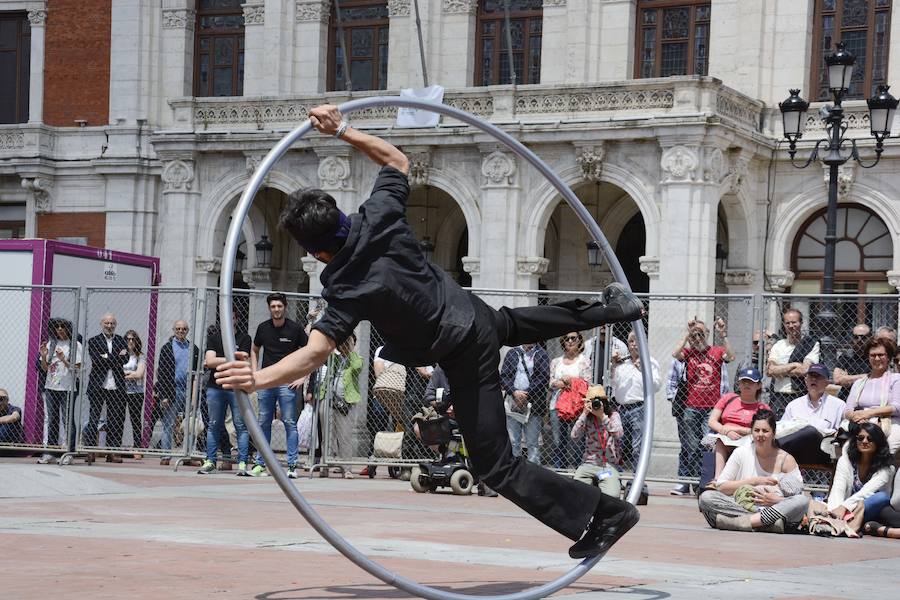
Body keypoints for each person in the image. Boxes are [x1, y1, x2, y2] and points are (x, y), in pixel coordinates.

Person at [217, 104, 644, 560]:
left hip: (460, 350)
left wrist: (258, 378)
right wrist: (343, 129)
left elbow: (315, 352)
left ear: (316, 253)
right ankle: (610, 308)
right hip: (471, 314)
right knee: (511, 323)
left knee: (494, 466)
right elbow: (396, 160)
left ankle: (605, 513)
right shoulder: (377, 213)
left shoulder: (345, 284)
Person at [698, 409, 808, 533]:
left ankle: (741, 523)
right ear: (751, 432)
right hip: (745, 507)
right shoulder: (741, 452)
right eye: (756, 430)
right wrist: (754, 481)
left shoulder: (786, 459)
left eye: (765, 431)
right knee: (706, 498)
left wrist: (777, 501)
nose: (760, 435)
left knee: (802, 501)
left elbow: (798, 496)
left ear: (774, 433)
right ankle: (766, 524)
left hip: (777, 508)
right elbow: (722, 486)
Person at [670, 317, 734, 495]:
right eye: (694, 335)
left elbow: (731, 356)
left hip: (710, 408)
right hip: (691, 406)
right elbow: (675, 354)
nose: (697, 338)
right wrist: (686, 333)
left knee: (707, 444)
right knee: (691, 446)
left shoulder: (715, 351)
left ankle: (704, 482)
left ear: (707, 334)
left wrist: (723, 334)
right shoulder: (689, 353)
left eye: (701, 334)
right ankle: (696, 481)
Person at [250, 292, 309, 477]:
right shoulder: (262, 328)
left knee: (290, 422)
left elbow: (310, 353)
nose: (276, 309)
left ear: (285, 307)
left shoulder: (295, 328)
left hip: (287, 382)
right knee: (263, 422)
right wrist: (254, 373)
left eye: (279, 306)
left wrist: (302, 377)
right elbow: (254, 350)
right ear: (269, 308)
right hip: (266, 382)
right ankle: (260, 463)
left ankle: (292, 465)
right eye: (273, 306)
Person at [198, 322, 252, 476]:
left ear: (236, 319)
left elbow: (244, 362)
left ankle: (242, 462)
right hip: (215, 387)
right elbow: (209, 361)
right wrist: (232, 358)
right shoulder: (214, 338)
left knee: (240, 425)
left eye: (233, 317)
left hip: (236, 388)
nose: (230, 320)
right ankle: (210, 461)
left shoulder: (244, 338)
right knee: (214, 424)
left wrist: (220, 359)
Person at [826, 422, 895, 536]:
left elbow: (866, 492)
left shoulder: (887, 468)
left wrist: (844, 507)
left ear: (878, 442)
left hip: (871, 509)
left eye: (870, 439)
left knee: (882, 497)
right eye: (861, 438)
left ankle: (855, 523)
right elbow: (838, 488)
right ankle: (852, 524)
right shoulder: (845, 461)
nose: (864, 441)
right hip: (844, 512)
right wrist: (834, 512)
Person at [705, 368, 769, 478]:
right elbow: (712, 421)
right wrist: (725, 431)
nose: (746, 385)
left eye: (751, 382)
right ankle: (718, 479)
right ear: (739, 384)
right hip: (725, 437)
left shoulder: (763, 408)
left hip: (749, 440)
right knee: (721, 441)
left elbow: (766, 430)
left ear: (758, 385)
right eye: (743, 381)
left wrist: (736, 430)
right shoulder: (728, 398)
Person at [610, 331, 660, 470]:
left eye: (638, 340)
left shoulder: (650, 362)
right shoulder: (622, 363)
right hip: (621, 409)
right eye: (631, 341)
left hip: (639, 408)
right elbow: (613, 384)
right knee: (617, 445)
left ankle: (637, 482)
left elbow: (656, 386)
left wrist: (643, 370)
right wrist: (613, 365)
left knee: (637, 447)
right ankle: (616, 479)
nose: (634, 344)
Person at [316, 332, 362, 479]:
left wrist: (350, 349)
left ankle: (347, 468)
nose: (344, 345)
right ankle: (324, 466)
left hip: (346, 402)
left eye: (348, 342)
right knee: (327, 435)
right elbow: (323, 356)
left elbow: (356, 367)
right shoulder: (333, 357)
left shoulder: (356, 359)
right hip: (328, 399)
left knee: (345, 435)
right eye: (343, 342)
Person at [777, 364, 845, 464]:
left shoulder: (838, 405)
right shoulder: (793, 405)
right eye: (810, 376)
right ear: (805, 380)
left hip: (822, 452)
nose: (814, 379)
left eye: (818, 376)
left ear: (827, 382)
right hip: (794, 452)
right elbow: (782, 430)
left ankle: (774, 447)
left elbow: (841, 433)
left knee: (810, 431)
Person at [84, 313, 129, 463]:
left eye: (112, 324)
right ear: (101, 324)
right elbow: (96, 360)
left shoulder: (121, 340)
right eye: (107, 323)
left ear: (115, 325)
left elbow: (126, 358)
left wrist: (107, 357)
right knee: (94, 418)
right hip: (98, 386)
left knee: (114, 419)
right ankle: (90, 450)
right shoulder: (94, 341)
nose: (109, 326)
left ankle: (112, 452)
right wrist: (116, 357)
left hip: (116, 386)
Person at [154, 320, 200, 465]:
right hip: (173, 390)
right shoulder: (167, 348)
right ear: (174, 330)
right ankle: (165, 456)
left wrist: (193, 396)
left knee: (190, 425)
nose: (181, 331)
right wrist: (164, 395)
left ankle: (188, 456)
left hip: (188, 390)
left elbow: (196, 374)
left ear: (188, 330)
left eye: (184, 329)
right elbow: (162, 373)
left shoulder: (194, 349)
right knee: (168, 424)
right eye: (178, 328)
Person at [843, 337, 900, 454]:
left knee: (885, 452)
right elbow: (847, 411)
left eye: (881, 355)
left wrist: (868, 413)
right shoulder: (859, 383)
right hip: (862, 424)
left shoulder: (896, 379)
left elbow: (897, 407)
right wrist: (856, 417)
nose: (877, 358)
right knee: (846, 452)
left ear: (888, 357)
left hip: (889, 424)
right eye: (873, 355)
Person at [37, 318, 82, 464]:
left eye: (63, 326)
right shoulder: (51, 344)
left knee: (67, 420)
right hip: (51, 387)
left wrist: (63, 359)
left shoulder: (75, 345)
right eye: (57, 327)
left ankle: (68, 452)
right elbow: (45, 368)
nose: (60, 329)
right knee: (52, 420)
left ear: (68, 329)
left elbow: (77, 368)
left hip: (68, 388)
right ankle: (50, 451)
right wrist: (44, 356)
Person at [548, 331, 592, 469]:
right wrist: (560, 383)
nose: (570, 341)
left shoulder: (584, 361)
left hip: (577, 406)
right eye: (567, 339)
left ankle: (579, 471)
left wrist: (570, 381)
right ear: (563, 342)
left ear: (579, 341)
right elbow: (550, 382)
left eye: (574, 338)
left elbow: (587, 383)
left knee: (577, 441)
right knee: (558, 441)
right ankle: (560, 471)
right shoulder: (556, 362)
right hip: (557, 405)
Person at [500, 342, 550, 464]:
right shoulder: (513, 353)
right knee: (513, 441)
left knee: (533, 443)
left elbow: (544, 377)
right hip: (513, 402)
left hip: (534, 404)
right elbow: (504, 376)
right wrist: (514, 392)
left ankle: (534, 476)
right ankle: (514, 471)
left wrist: (526, 394)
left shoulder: (541, 354)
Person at [571, 385, 623, 498]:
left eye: (598, 402)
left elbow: (618, 434)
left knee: (612, 497)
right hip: (588, 464)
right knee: (575, 494)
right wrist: (584, 414)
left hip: (608, 465)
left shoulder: (613, 415)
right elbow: (574, 436)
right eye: (592, 402)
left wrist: (602, 416)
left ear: (604, 402)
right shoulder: (587, 418)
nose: (596, 405)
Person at [766, 308, 820, 417]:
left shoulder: (811, 344)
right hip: (778, 397)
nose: (791, 326)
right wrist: (794, 364)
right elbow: (770, 370)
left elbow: (805, 370)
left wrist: (780, 370)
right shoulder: (778, 345)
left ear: (801, 323)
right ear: (784, 325)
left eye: (794, 322)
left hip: (800, 395)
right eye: (787, 323)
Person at [122, 330, 147, 457]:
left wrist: (124, 375)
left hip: (135, 393)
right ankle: (115, 448)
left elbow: (139, 374)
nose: (130, 341)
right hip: (121, 391)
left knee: (135, 420)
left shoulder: (140, 356)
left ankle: (137, 449)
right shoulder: (121, 354)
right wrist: (130, 374)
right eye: (128, 339)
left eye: (133, 339)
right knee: (118, 419)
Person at [833, 324, 872, 400]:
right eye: (856, 337)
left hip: (868, 398)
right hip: (847, 397)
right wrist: (867, 376)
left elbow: (878, 379)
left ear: (870, 338)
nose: (859, 340)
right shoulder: (846, 356)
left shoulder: (874, 357)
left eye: (863, 337)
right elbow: (837, 379)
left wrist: (847, 378)